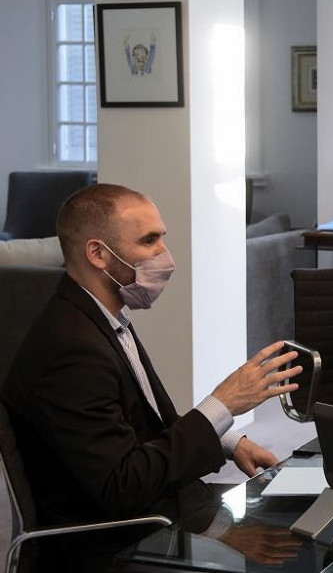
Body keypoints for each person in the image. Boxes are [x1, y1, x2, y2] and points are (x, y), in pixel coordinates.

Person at [1, 184, 301, 572]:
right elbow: (121, 487)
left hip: (156, 513)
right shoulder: (71, 349)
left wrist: (228, 440)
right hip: (116, 540)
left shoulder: (100, 319)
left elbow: (145, 428)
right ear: (98, 254)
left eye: (162, 238)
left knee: (290, 515)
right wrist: (222, 404)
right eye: (149, 241)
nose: (165, 255)